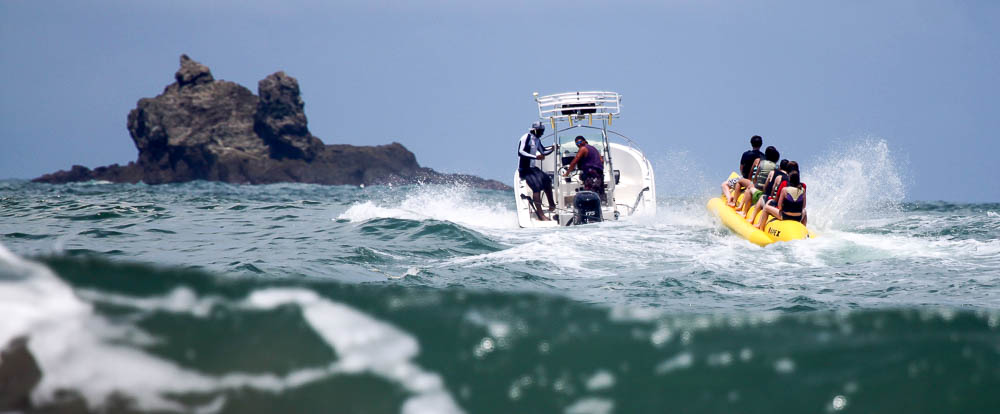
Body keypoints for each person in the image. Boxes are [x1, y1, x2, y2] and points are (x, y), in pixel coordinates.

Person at [517, 121, 556, 220]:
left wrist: (552, 149)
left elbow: (543, 151)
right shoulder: (526, 137)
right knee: (537, 187)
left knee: (547, 180)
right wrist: (535, 157)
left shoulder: (537, 140)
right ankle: (541, 214)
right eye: (540, 131)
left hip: (533, 168)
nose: (542, 133)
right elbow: (520, 152)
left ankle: (552, 205)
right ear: (535, 130)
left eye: (542, 131)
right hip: (524, 168)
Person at [736, 146, 779, 216]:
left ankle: (743, 211)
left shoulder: (761, 163)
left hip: (758, 191)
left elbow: (755, 177)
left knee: (749, 189)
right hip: (769, 194)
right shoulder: (777, 168)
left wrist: (754, 183)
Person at [721, 135, 763, 206]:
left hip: (745, 179)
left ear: (751, 143)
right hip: (757, 182)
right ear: (761, 144)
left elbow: (741, 168)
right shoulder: (763, 156)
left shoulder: (746, 154)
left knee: (724, 184)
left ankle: (729, 198)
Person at [745, 159, 788, 225]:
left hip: (772, 202)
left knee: (762, 197)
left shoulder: (773, 173)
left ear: (780, 167)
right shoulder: (789, 178)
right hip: (784, 208)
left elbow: (767, 187)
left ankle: (752, 218)